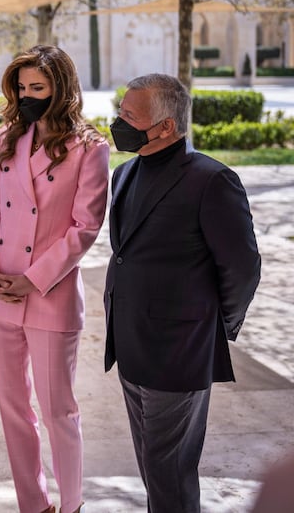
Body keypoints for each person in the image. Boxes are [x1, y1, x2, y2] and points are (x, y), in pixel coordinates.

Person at [104, 73, 261, 513]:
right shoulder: (124, 173)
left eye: (129, 117)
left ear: (167, 126)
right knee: (153, 466)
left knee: (169, 469)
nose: (119, 123)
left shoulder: (212, 180)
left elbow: (243, 267)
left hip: (179, 349)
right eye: (120, 113)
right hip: (131, 341)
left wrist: (214, 324)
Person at [0, 45, 110, 513]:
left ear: (61, 89)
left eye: (38, 87)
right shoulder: (8, 137)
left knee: (58, 412)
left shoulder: (90, 147)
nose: (28, 95)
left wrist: (34, 279)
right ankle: (34, 505)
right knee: (14, 410)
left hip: (50, 295)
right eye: (22, 88)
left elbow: (85, 227)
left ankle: (71, 506)